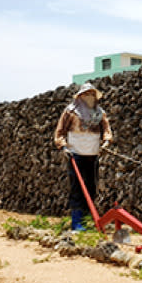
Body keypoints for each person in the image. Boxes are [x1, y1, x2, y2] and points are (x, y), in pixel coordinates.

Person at [54, 82, 112, 231]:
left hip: (93, 154)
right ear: (81, 96)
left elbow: (106, 130)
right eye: (87, 94)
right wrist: (64, 146)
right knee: (77, 188)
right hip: (76, 154)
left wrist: (106, 142)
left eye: (92, 94)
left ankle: (89, 219)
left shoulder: (100, 113)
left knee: (91, 187)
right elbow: (60, 132)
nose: (90, 97)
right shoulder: (70, 112)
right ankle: (77, 222)